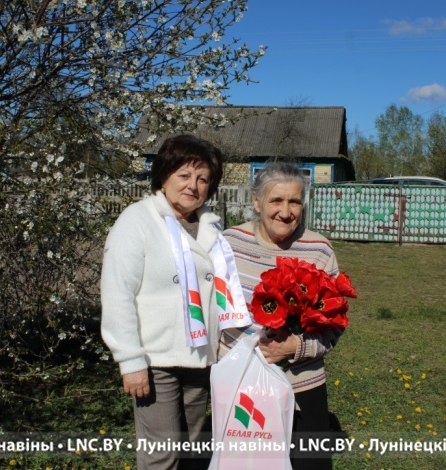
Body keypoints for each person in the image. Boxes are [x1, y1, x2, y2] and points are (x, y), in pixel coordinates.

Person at [101, 134, 250, 469]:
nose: (193, 186)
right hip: (156, 360)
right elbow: (117, 294)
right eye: (184, 175)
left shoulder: (211, 226)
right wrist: (130, 360)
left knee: (194, 451)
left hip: (201, 359)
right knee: (162, 456)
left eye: (203, 179)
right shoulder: (137, 221)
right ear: (164, 176)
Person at [221, 162, 344, 470]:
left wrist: (294, 347)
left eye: (295, 202)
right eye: (276, 200)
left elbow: (335, 324)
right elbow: (214, 311)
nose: (286, 212)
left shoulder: (318, 250)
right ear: (257, 201)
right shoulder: (229, 244)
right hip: (243, 384)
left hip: (302, 384)